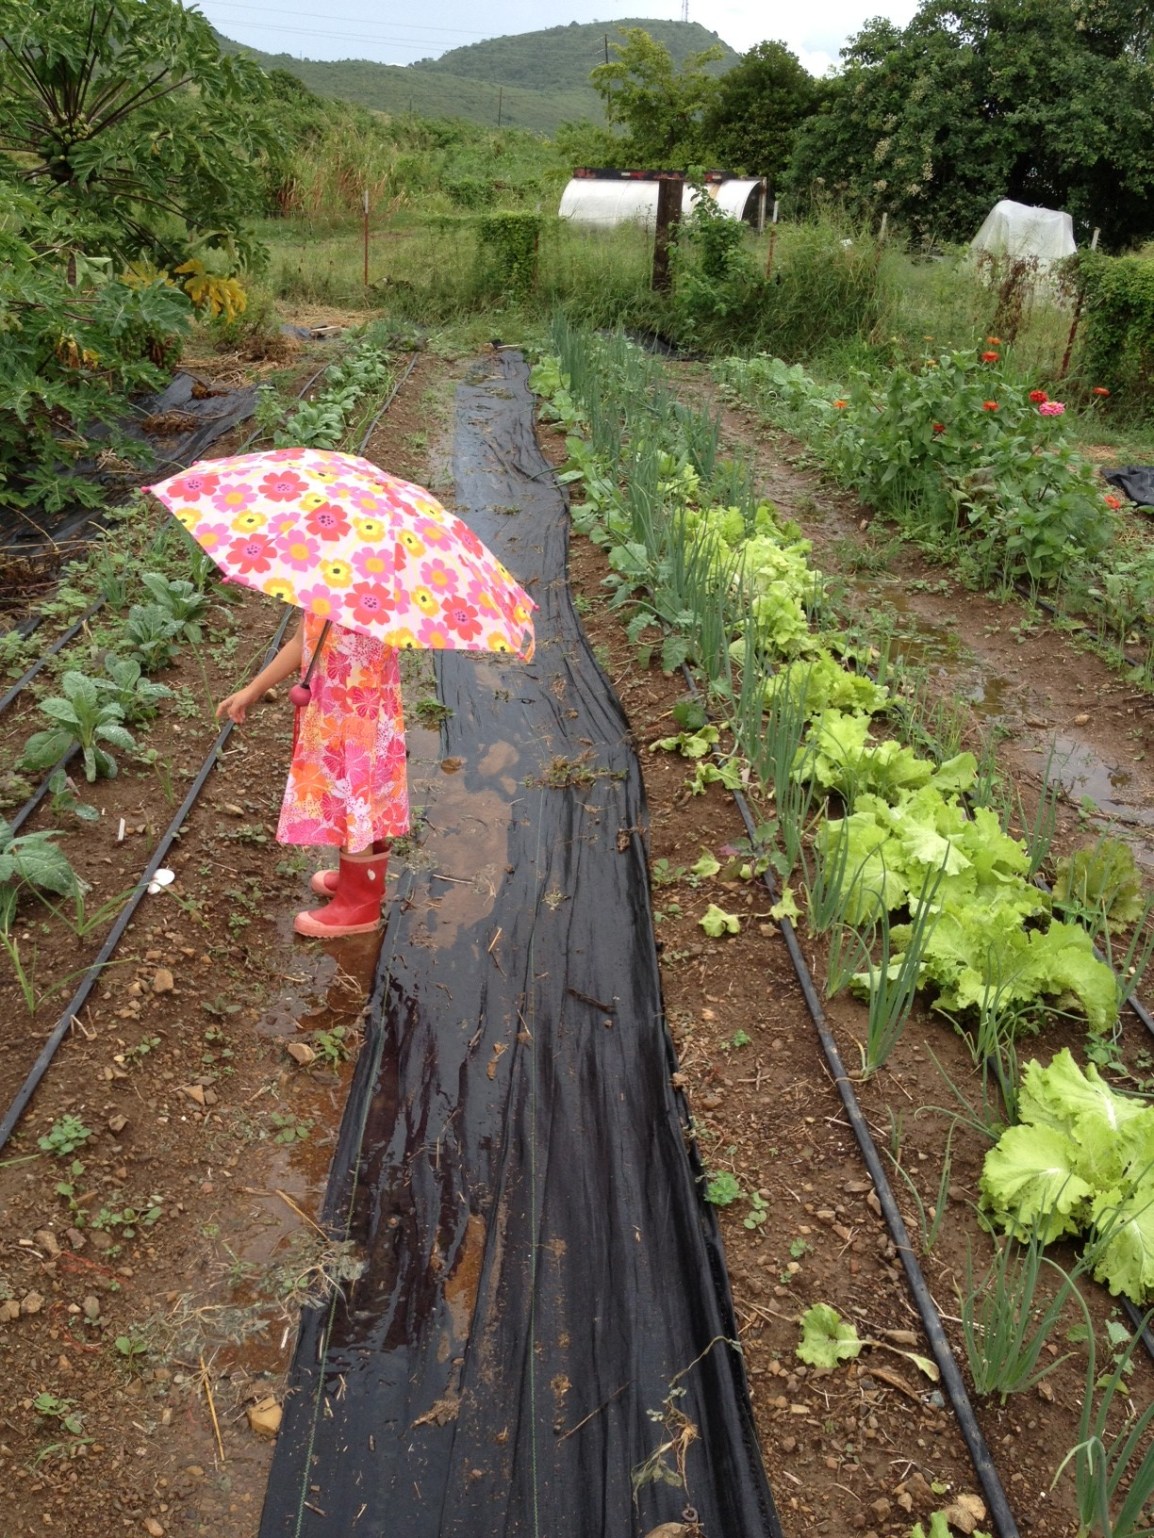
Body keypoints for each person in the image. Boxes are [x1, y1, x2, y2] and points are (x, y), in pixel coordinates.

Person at [216, 610, 408, 938]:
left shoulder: (382, 603)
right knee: (351, 799)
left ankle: (360, 905)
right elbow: (301, 640)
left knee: (356, 799)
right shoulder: (329, 591)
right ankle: (358, 879)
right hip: (331, 716)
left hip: (359, 719)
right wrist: (253, 689)